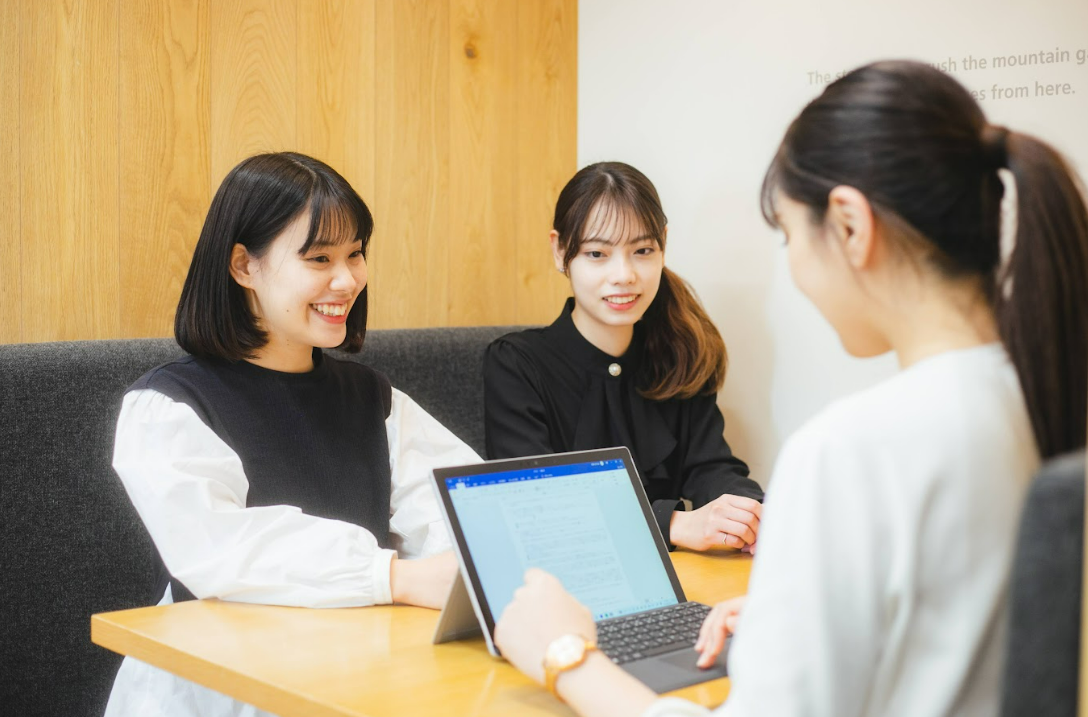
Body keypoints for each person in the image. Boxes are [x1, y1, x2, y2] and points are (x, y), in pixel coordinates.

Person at [492, 60, 1088, 717]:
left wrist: (566, 656)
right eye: (598, 254)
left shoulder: (847, 451)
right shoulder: (1040, 395)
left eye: (787, 235)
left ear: (851, 226)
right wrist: (812, 608)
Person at [104, 152, 480, 717]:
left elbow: (459, 501)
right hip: (222, 690)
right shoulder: (168, 406)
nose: (348, 279)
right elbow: (219, 551)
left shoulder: (372, 399)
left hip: (354, 669)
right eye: (319, 258)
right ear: (243, 266)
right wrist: (393, 575)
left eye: (355, 254)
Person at [484, 162, 764, 553]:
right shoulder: (516, 364)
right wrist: (673, 524)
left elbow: (712, 467)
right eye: (598, 253)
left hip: (679, 582)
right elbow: (540, 504)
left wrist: (747, 512)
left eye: (643, 251)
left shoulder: (680, 350)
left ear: (663, 245)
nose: (624, 274)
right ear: (560, 250)